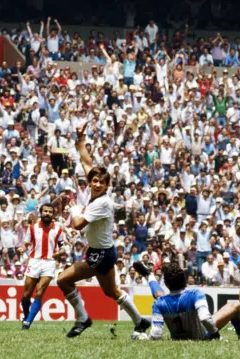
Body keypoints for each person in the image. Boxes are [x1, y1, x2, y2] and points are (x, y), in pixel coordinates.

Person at [59, 123, 150, 338]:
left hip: (100, 253)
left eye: (101, 182)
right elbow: (87, 161)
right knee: (111, 291)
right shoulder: (96, 194)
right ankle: (140, 320)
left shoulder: (103, 203)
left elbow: (78, 224)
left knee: (63, 280)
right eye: (94, 180)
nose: (97, 184)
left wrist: (73, 208)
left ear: (107, 185)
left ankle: (83, 318)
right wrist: (80, 142)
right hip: (103, 251)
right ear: (90, 182)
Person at [131, 261, 240, 340]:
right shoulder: (195, 293)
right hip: (202, 335)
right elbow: (205, 319)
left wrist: (141, 337)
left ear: (166, 283)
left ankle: (149, 275)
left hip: (177, 337)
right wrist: (217, 336)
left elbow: (156, 334)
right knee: (235, 306)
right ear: (184, 279)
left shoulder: (159, 302)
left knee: (160, 296)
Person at [19, 203, 66, 329]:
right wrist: (22, 249)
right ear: (41, 213)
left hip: (49, 263)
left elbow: (63, 246)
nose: (47, 214)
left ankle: (27, 323)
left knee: (40, 291)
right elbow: (26, 244)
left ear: (53, 214)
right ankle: (27, 316)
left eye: (50, 212)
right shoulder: (33, 228)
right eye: (45, 211)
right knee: (26, 295)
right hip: (34, 261)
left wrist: (61, 251)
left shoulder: (58, 229)